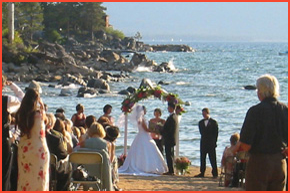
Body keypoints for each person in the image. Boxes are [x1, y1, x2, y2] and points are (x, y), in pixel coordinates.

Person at [236, 74, 288, 191]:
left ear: (261, 91)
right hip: (279, 162)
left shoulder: (255, 111)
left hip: (259, 162)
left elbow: (246, 144)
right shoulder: (285, 110)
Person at [15, 89, 50, 191]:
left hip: (24, 149)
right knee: (40, 180)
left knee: (25, 178)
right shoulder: (40, 114)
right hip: (39, 149)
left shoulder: (20, 115)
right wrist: (42, 104)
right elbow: (47, 121)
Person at [119, 105, 168, 175]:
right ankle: (147, 167)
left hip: (141, 135)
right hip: (144, 135)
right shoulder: (141, 119)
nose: (145, 111)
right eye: (145, 110)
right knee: (148, 149)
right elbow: (146, 129)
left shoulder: (139, 118)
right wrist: (154, 130)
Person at [2, 76, 24, 191]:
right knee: (4, 174)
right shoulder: (7, 100)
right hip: (3, 140)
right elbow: (22, 99)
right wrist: (12, 85)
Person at [195, 108, 219, 178]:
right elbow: (201, 132)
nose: (203, 115)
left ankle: (215, 173)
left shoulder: (214, 122)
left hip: (211, 143)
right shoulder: (200, 123)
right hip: (203, 142)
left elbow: (216, 133)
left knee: (213, 158)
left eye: (204, 113)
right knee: (202, 158)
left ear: (208, 113)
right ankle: (202, 172)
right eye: (202, 114)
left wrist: (214, 142)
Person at [162, 103, 179, 175]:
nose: (167, 109)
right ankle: (171, 169)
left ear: (172, 108)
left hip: (169, 138)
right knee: (170, 154)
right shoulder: (174, 116)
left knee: (169, 154)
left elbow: (170, 129)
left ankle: (171, 170)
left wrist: (161, 131)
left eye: (168, 107)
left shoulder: (172, 117)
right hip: (171, 138)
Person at [104, 126, 121, 191]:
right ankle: (114, 182)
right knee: (114, 160)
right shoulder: (112, 144)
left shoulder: (103, 142)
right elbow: (111, 159)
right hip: (107, 165)